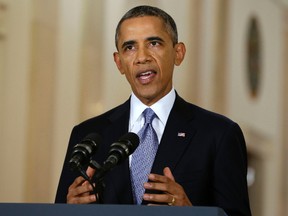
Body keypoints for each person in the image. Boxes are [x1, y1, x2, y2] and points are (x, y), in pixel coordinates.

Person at [55, 5, 252, 216]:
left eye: (154, 43)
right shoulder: (88, 135)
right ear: (119, 62)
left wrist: (190, 211)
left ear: (178, 53)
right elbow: (59, 209)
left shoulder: (219, 134)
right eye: (129, 47)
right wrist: (67, 210)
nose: (142, 57)